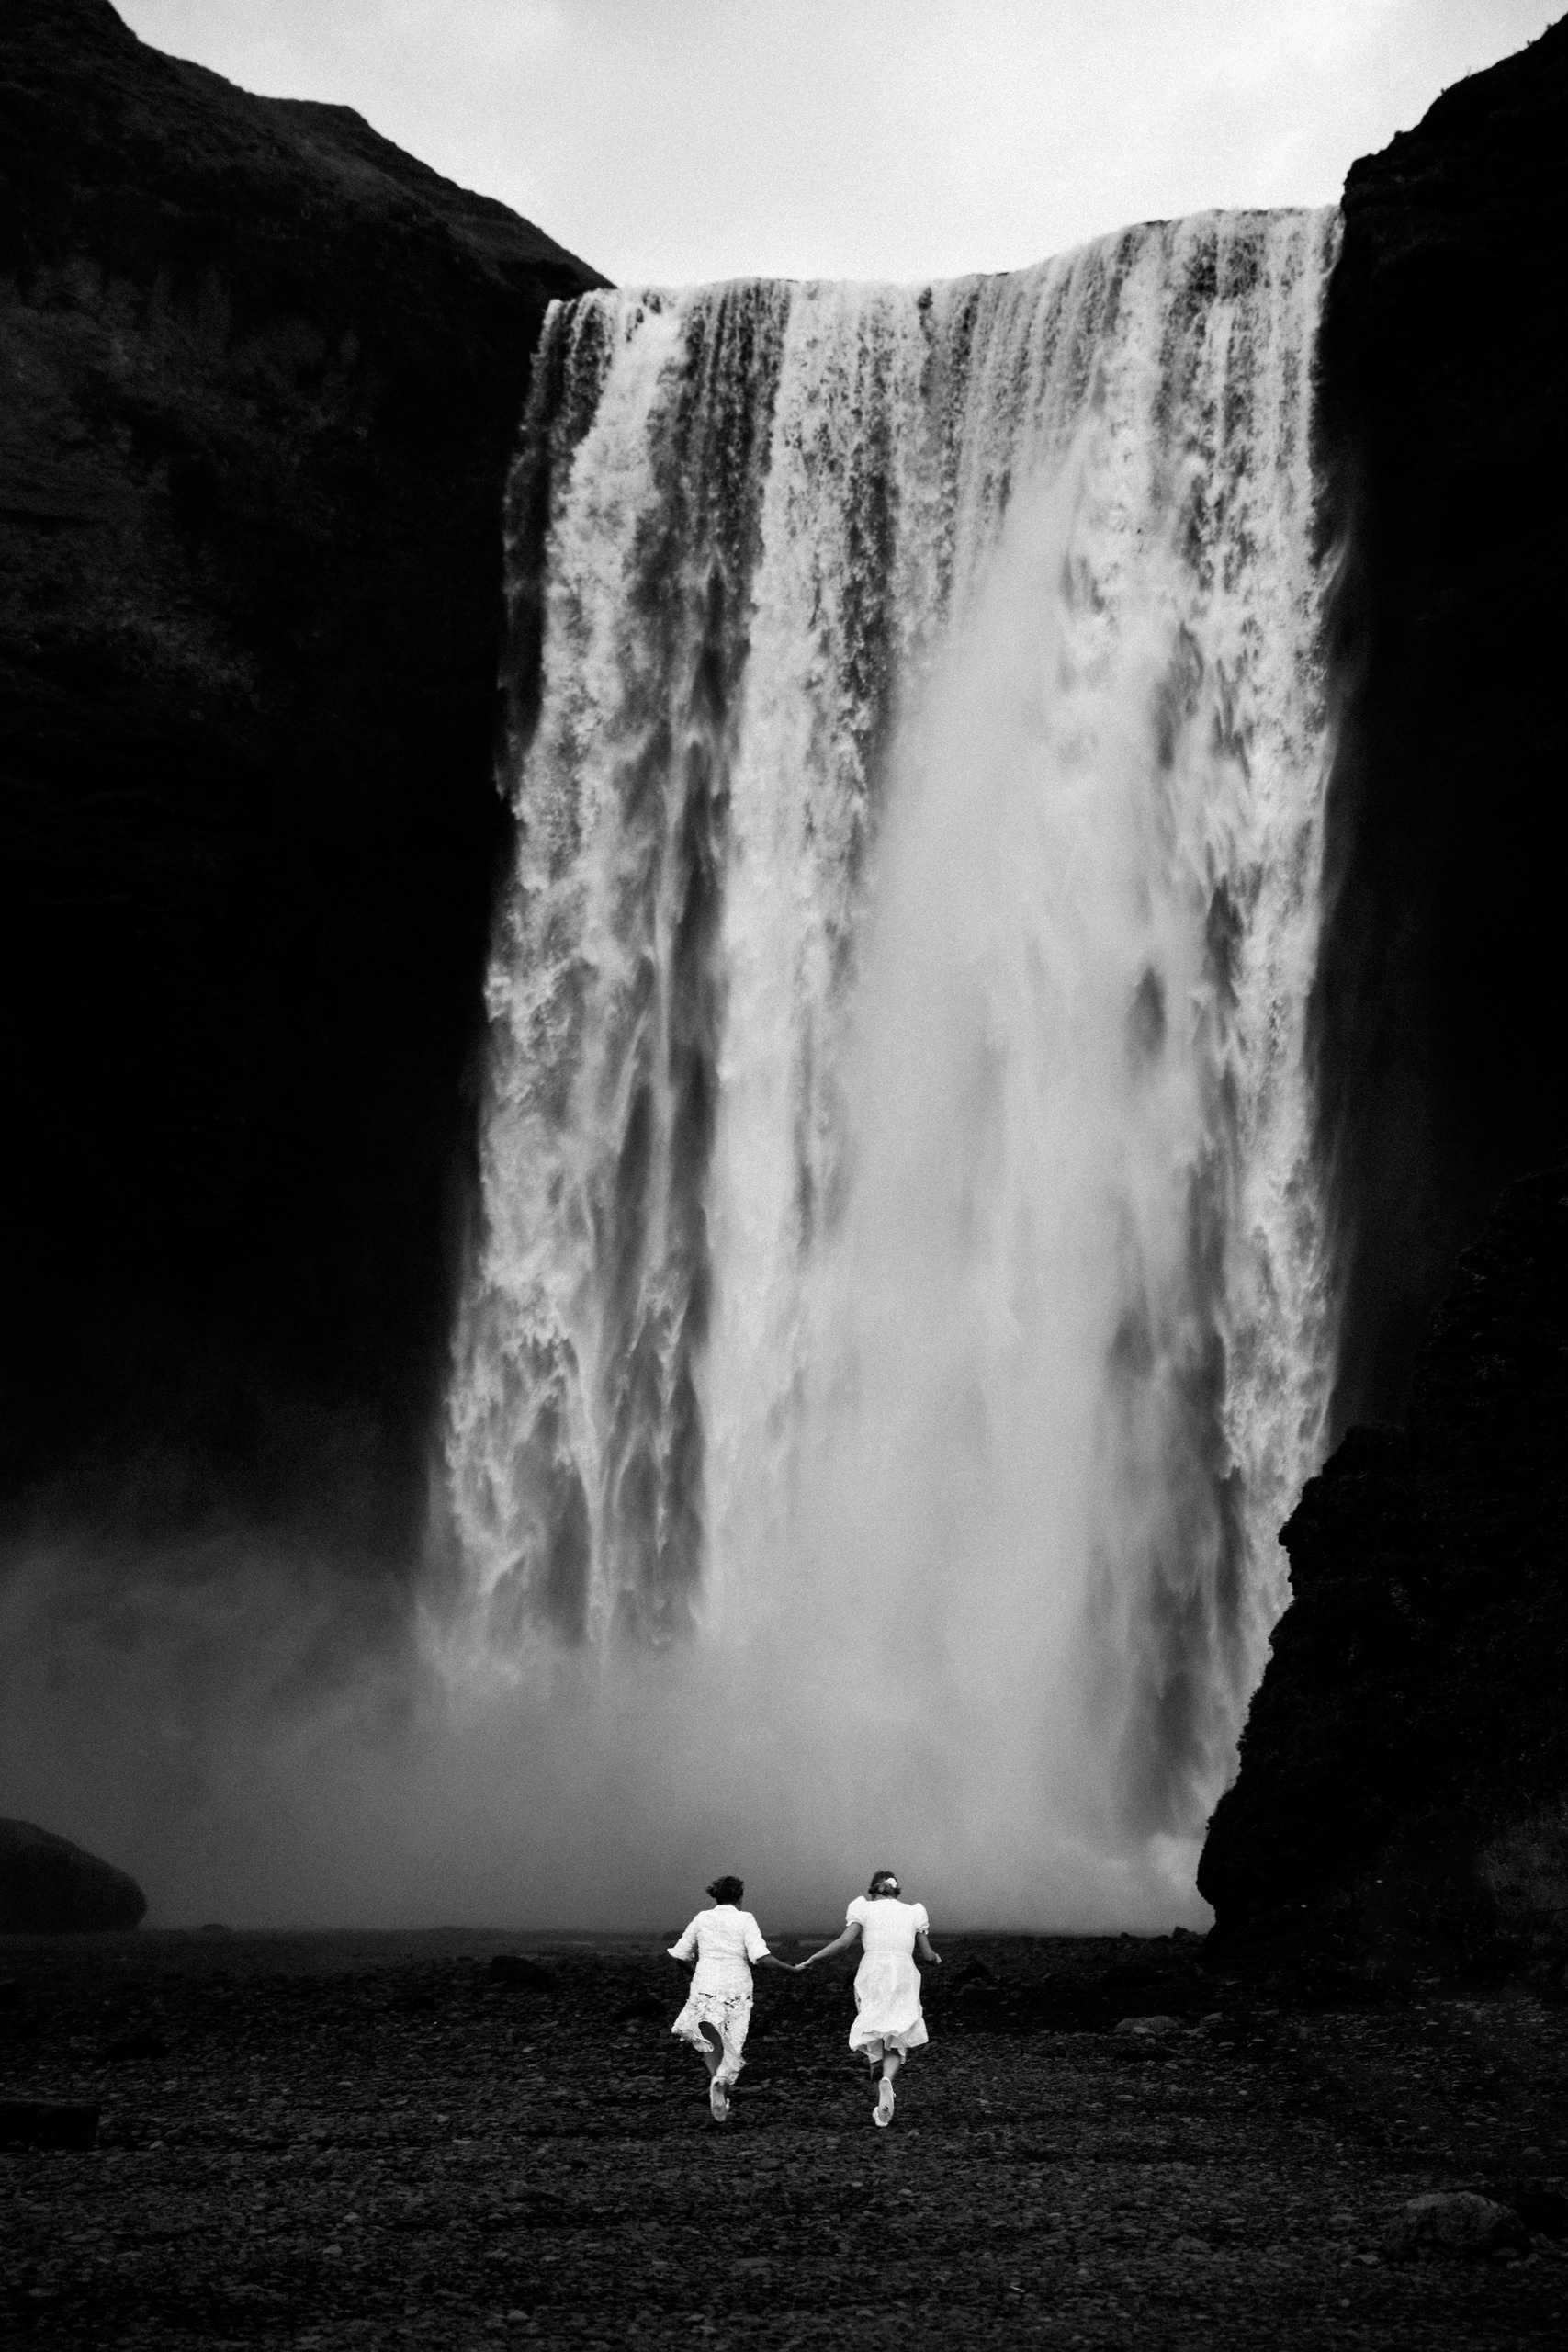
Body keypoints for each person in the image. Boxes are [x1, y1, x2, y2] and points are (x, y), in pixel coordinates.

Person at [795, 1868, 941, 2126]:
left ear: (873, 1892)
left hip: (872, 1973)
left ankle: (880, 2096)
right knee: (897, 2034)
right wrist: (936, 1960)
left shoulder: (863, 1908)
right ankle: (888, 2081)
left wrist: (814, 1957)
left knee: (873, 2031)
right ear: (896, 1892)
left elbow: (844, 1943)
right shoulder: (914, 1911)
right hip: (904, 1973)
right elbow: (928, 1955)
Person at [666, 1874, 793, 2120]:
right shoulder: (745, 1919)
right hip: (736, 1989)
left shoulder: (702, 1918)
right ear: (740, 1897)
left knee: (710, 2041)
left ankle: (717, 2084)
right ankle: (722, 2082)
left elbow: (679, 1955)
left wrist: (694, 1974)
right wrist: (791, 1969)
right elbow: (761, 1956)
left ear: (717, 1895)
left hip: (704, 1985)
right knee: (733, 2043)